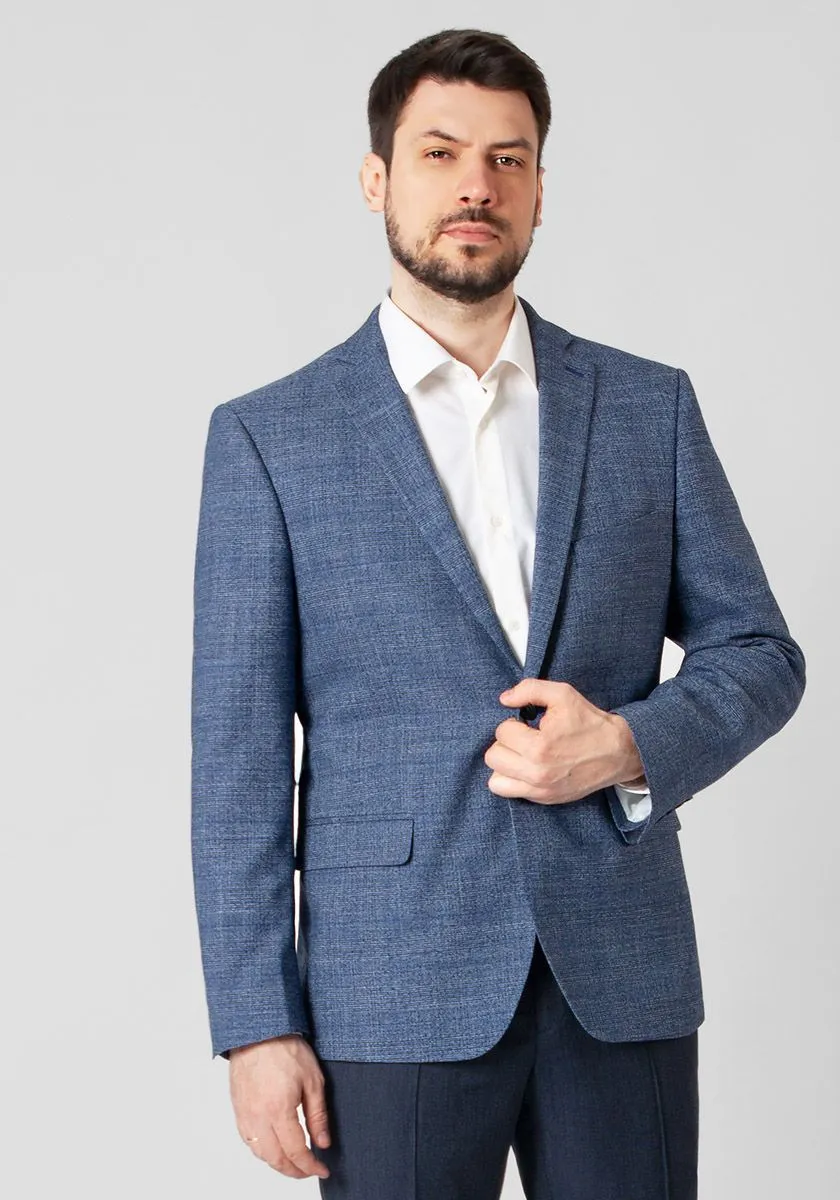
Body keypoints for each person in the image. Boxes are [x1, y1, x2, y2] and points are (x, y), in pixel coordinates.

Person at [190, 27, 806, 1200]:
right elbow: (237, 760)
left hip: (618, 971)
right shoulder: (272, 439)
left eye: (507, 160)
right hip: (391, 983)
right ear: (377, 179)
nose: (476, 185)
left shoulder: (647, 408)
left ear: (539, 190)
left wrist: (626, 744)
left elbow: (759, 651)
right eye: (441, 153)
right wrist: (256, 1022)